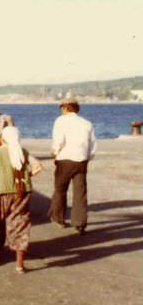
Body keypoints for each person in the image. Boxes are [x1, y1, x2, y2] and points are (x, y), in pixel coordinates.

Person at [0, 126, 42, 273]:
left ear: (3, 138)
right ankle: (19, 264)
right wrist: (27, 176)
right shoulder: (23, 151)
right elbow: (38, 166)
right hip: (22, 192)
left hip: (2, 191)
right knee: (20, 224)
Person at [48, 97, 96, 234]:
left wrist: (54, 152)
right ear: (77, 108)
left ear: (64, 108)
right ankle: (80, 223)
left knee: (60, 189)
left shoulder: (60, 121)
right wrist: (88, 158)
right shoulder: (87, 123)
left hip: (65, 160)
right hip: (81, 161)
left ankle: (58, 218)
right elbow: (92, 145)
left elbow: (59, 140)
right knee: (80, 192)